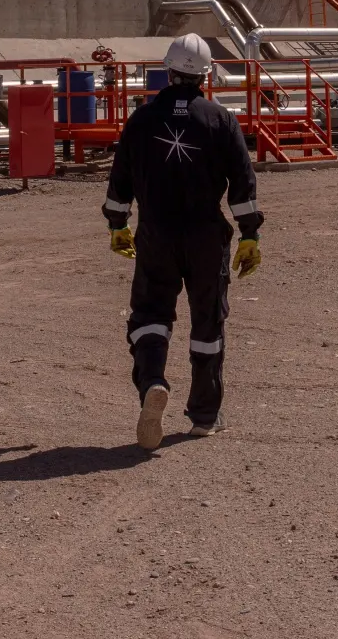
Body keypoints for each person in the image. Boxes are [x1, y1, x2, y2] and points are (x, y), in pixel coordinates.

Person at [103, 33, 262, 451]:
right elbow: (243, 185)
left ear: (168, 71)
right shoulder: (219, 119)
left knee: (151, 316)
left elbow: (119, 180)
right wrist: (249, 235)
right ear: (206, 77)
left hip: (156, 235)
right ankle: (205, 416)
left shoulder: (141, 120)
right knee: (207, 324)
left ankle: (154, 382)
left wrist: (117, 224)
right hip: (207, 237)